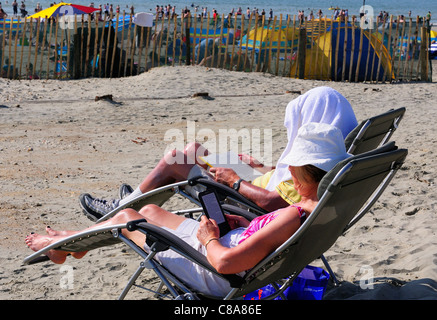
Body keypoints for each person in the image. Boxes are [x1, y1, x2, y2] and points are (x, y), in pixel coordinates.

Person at [25, 122, 352, 297]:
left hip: (217, 270)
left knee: (128, 219)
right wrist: (245, 225)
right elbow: (270, 235)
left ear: (295, 173)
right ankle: (72, 246)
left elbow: (224, 264)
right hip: (240, 246)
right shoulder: (321, 208)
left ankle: (63, 247)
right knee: (150, 210)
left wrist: (211, 238)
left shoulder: (291, 215)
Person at [79, 87, 358, 221]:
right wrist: (260, 168)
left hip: (241, 201)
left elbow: (275, 204)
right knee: (194, 150)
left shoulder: (312, 171)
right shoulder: (328, 157)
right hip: (256, 185)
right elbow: (287, 184)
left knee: (175, 158)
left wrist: (235, 180)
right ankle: (137, 195)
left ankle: (121, 206)